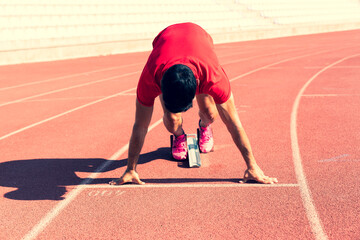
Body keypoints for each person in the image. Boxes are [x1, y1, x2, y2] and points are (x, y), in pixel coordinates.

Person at [110, 22, 277, 185]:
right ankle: (178, 136)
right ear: (161, 87)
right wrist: (131, 168)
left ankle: (205, 126)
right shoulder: (150, 77)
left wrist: (252, 166)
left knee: (210, 112)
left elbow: (234, 124)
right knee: (172, 118)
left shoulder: (213, 77)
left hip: (199, 40)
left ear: (197, 86)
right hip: (165, 41)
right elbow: (140, 125)